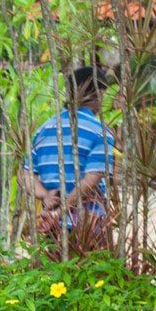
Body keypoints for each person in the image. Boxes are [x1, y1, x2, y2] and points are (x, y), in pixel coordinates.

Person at [24, 65, 113, 252]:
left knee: (54, 276)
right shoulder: (100, 132)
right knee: (92, 278)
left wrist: (45, 195)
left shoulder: (44, 130)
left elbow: (25, 174)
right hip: (88, 226)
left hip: (51, 226)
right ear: (97, 94)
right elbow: (90, 181)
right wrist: (61, 210)